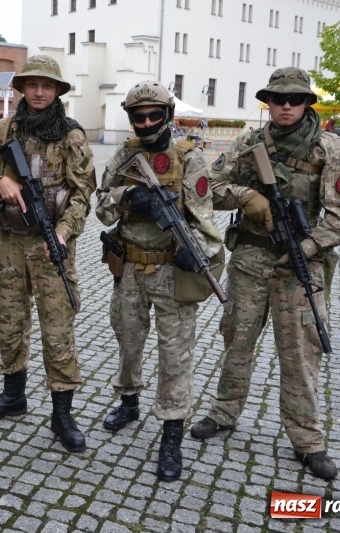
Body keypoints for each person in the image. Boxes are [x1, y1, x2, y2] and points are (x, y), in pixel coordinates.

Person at [189, 67, 340, 480]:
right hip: (250, 260)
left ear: (306, 103)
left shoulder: (330, 148)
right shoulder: (249, 142)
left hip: (300, 268)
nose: (286, 106)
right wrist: (246, 195)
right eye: (278, 99)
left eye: (296, 99)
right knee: (237, 340)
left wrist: (306, 247)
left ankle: (308, 441)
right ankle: (224, 413)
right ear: (267, 102)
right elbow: (206, 185)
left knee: (301, 354)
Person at [95, 81, 223, 481]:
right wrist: (127, 199)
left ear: (168, 115)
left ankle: (171, 433)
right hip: (130, 268)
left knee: (175, 356)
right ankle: (129, 401)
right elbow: (101, 207)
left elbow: (205, 222)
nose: (147, 122)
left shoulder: (190, 159)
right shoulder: (125, 155)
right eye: (139, 116)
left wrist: (195, 250)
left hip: (172, 272)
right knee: (128, 339)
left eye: (154, 115)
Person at [0, 55, 96, 453]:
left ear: (58, 90)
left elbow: (82, 194)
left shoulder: (71, 135)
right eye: (32, 84)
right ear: (21, 88)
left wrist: (61, 232)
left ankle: (62, 414)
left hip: (52, 243)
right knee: (10, 323)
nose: (39, 92)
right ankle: (13, 395)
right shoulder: (4, 129)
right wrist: (0, 180)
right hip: (10, 242)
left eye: (47, 85)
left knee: (58, 330)